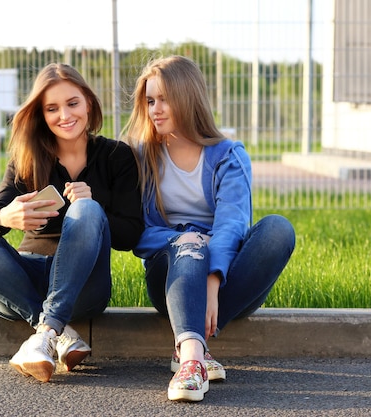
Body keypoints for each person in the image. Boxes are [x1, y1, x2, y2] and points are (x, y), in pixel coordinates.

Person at [121, 55, 295, 402]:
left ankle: (188, 347)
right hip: (169, 277)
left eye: (165, 99)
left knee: (278, 229)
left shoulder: (229, 155)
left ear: (188, 97)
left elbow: (233, 224)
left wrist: (213, 280)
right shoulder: (140, 155)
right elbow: (136, 231)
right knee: (190, 243)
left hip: (226, 285)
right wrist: (186, 238)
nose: (155, 109)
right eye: (150, 100)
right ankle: (192, 361)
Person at [0, 63, 143, 383]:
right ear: (40, 115)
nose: (65, 115)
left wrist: (93, 203)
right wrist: (4, 217)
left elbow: (132, 234)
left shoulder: (116, 155)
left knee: (86, 211)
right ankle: (56, 330)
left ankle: (46, 330)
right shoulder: (27, 157)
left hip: (84, 285)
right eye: (52, 108)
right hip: (26, 280)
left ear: (88, 102)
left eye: (72, 103)